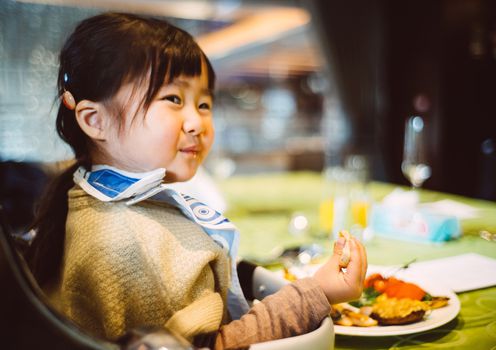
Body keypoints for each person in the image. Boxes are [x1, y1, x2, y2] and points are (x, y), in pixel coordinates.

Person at [25, 12, 367, 349]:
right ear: (95, 121)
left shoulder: (105, 206)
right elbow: (211, 346)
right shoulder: (123, 244)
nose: (197, 122)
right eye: (173, 99)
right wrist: (316, 292)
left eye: (204, 104)